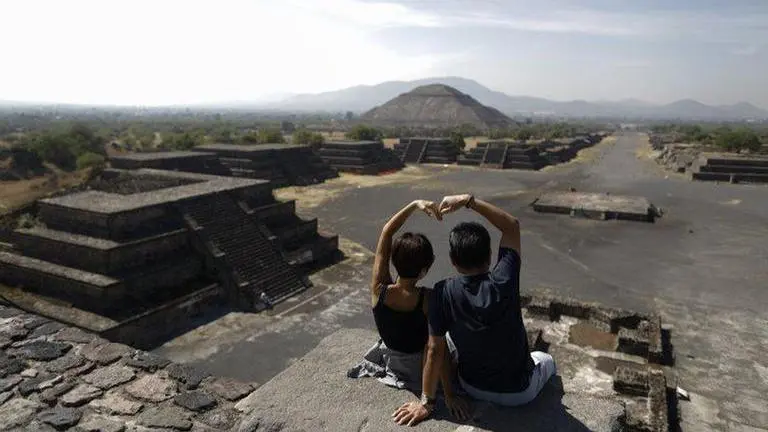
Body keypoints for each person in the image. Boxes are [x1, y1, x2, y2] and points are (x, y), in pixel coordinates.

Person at [393, 194, 556, 426]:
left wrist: (426, 403)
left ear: (453, 261)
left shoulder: (442, 291)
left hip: (472, 387)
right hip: (520, 392)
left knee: (444, 337)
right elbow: (511, 225)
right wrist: (468, 201)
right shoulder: (505, 278)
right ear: (489, 257)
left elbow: (434, 349)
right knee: (546, 359)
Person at [366, 199, 469, 421]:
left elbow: (387, 232)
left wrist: (414, 205)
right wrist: (449, 394)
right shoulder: (429, 298)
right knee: (445, 338)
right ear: (424, 270)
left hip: (393, 363)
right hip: (422, 369)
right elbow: (436, 350)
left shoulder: (378, 290)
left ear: (394, 261)